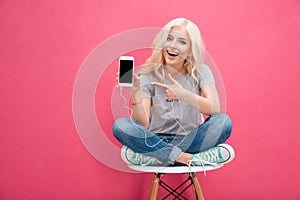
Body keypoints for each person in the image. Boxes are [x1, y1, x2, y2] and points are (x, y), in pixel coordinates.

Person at [112, 18, 235, 167]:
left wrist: (183, 94)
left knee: (223, 122)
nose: (173, 46)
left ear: (191, 50)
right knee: (121, 126)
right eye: (169, 39)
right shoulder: (147, 74)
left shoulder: (201, 71)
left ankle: (157, 158)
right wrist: (136, 90)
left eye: (182, 42)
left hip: (190, 140)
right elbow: (143, 123)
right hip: (155, 139)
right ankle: (188, 159)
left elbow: (214, 108)